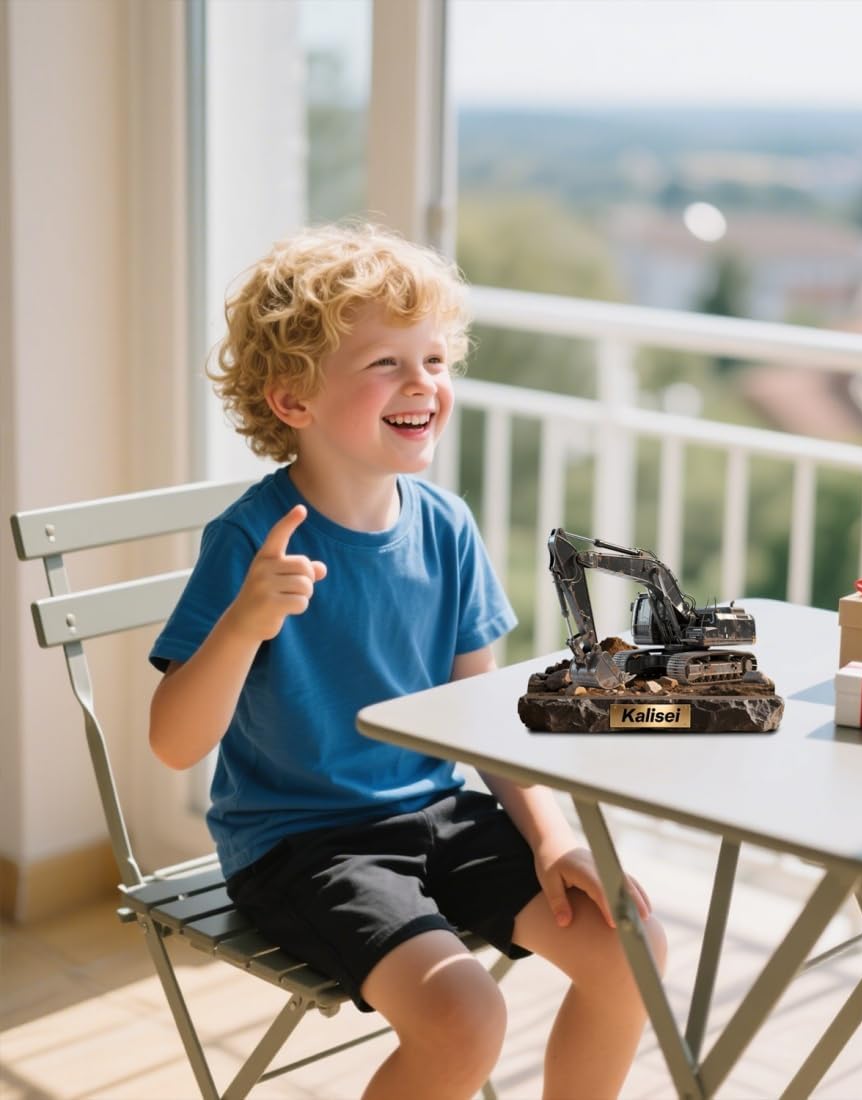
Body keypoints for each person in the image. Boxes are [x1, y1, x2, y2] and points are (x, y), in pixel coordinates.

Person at [147, 222, 666, 1100]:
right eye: (385, 362)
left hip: (438, 815)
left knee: (633, 949)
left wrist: (552, 837)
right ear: (292, 403)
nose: (422, 382)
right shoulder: (248, 541)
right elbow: (173, 744)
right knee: (466, 1015)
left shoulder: (447, 527)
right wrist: (243, 623)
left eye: (434, 359)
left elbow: (486, 715)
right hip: (300, 846)